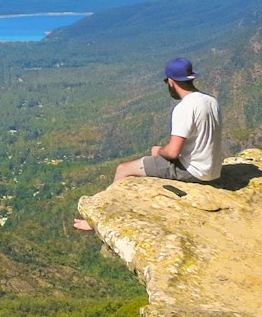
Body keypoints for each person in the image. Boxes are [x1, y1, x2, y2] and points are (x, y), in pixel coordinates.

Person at [74, 57, 223, 230]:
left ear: (171, 82)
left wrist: (159, 151)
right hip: (213, 169)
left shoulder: (185, 107)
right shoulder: (211, 100)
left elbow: (173, 152)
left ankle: (100, 221)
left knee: (123, 169)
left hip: (193, 171)